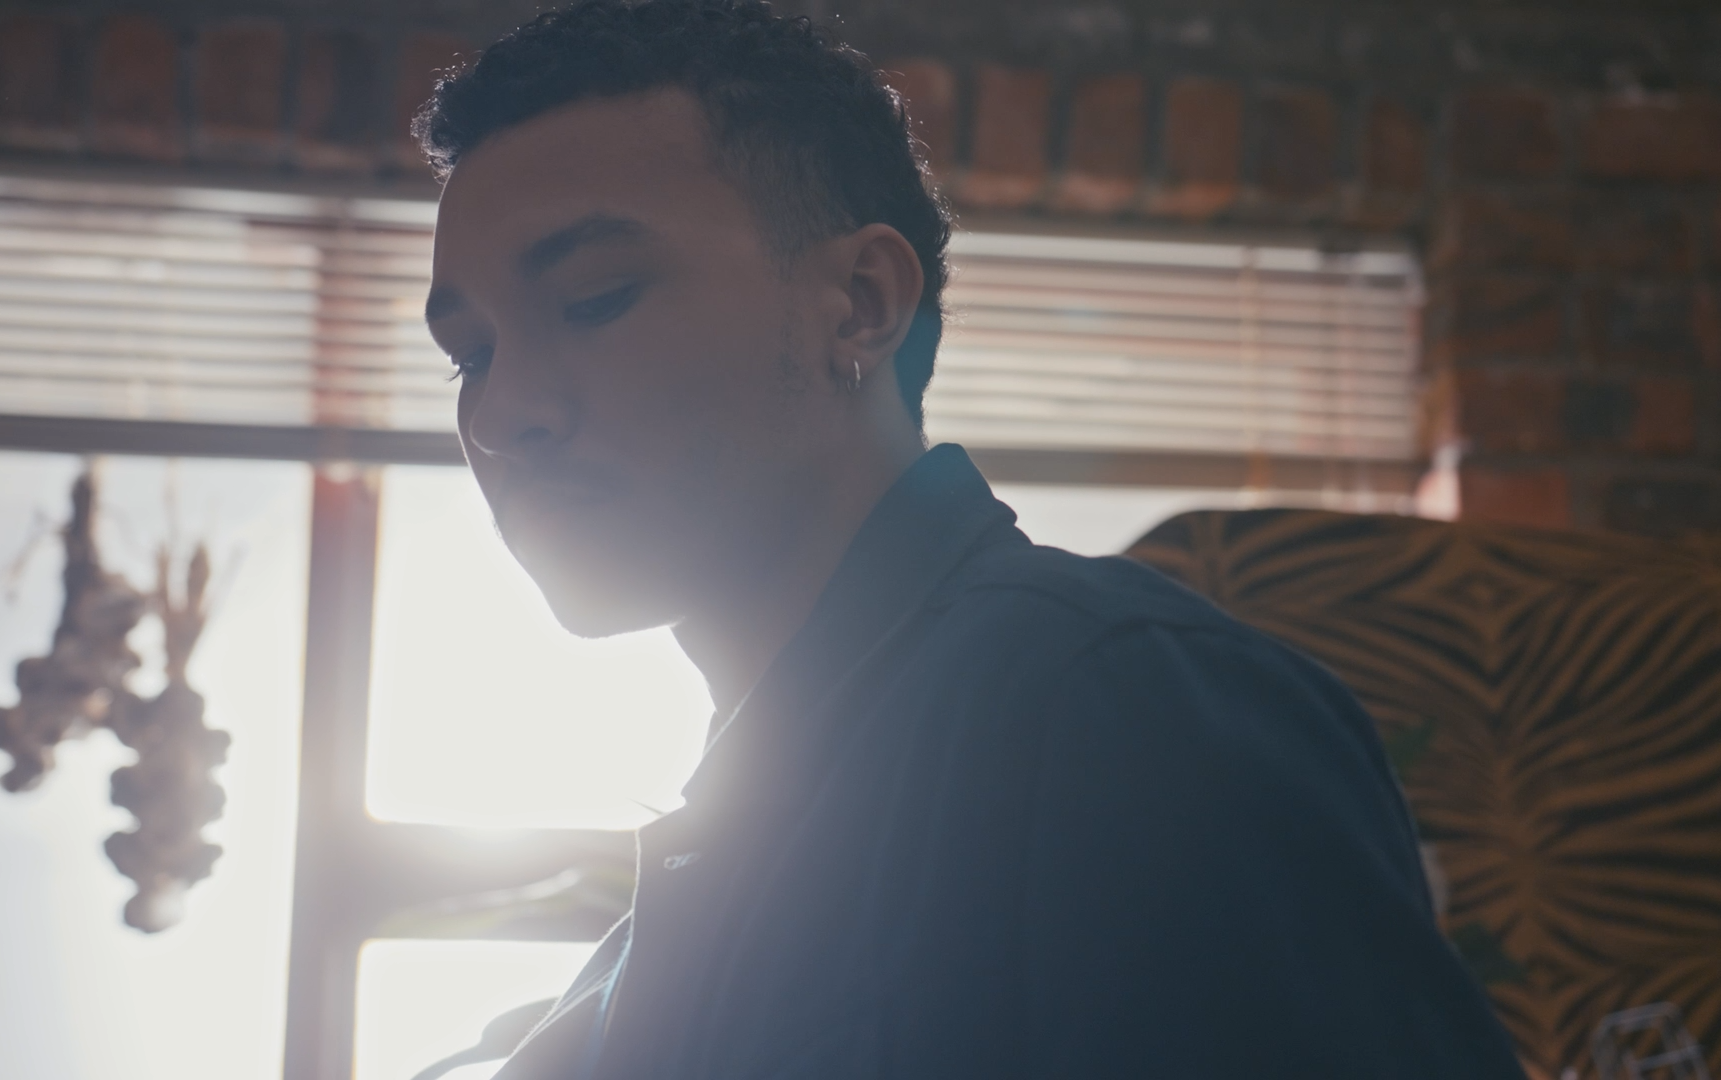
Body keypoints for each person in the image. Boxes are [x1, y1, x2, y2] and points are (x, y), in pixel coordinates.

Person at [415, 1, 1527, 1076]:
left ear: (859, 302)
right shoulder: (690, 895)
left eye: (596, 298)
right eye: (470, 355)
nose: (503, 414)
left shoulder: (1114, 709)